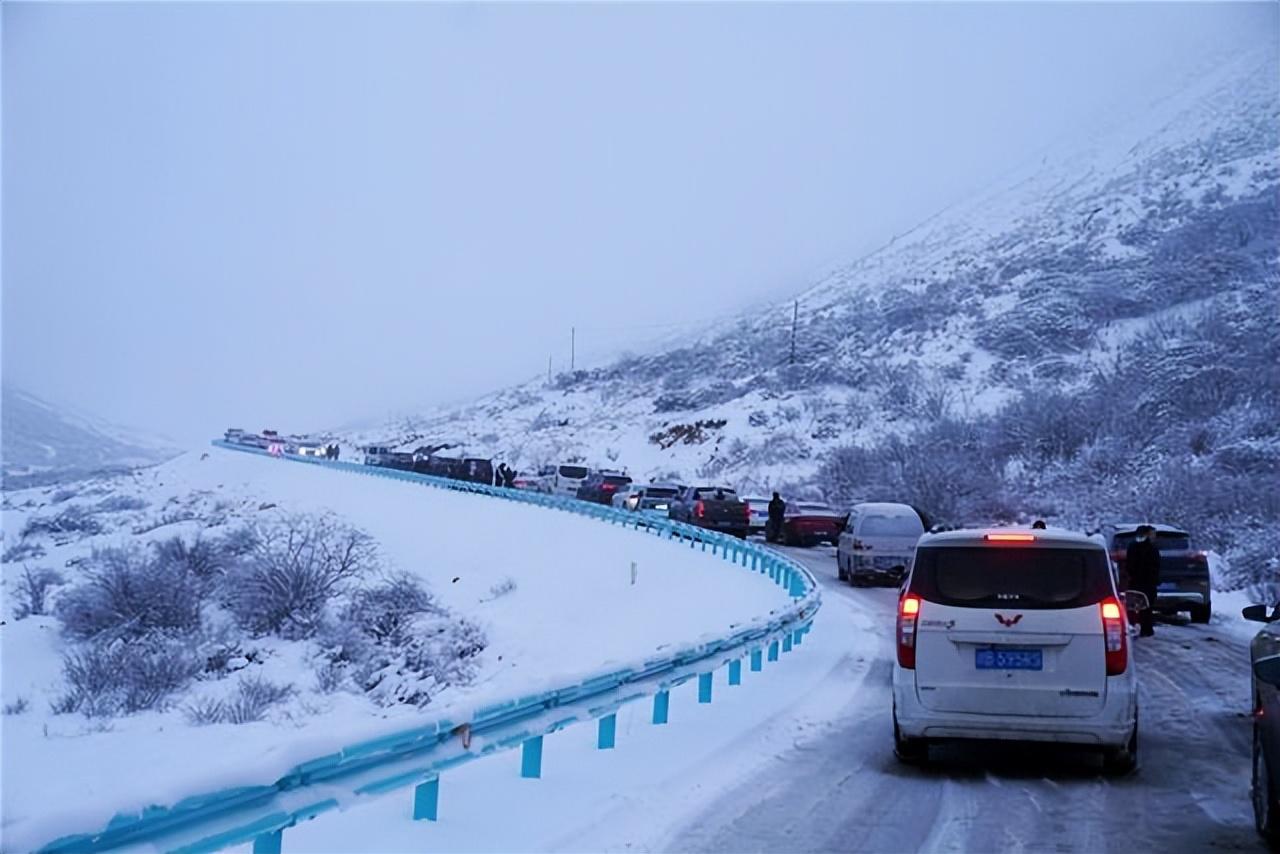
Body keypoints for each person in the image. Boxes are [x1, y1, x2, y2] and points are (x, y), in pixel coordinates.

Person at [1125, 524, 1161, 637]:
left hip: (1135, 582)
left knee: (1134, 606)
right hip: (1147, 583)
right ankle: (1146, 629)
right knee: (1147, 606)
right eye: (1152, 534)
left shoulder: (1132, 546)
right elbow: (1156, 565)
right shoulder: (1151, 548)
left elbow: (1129, 565)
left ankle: (1132, 626)